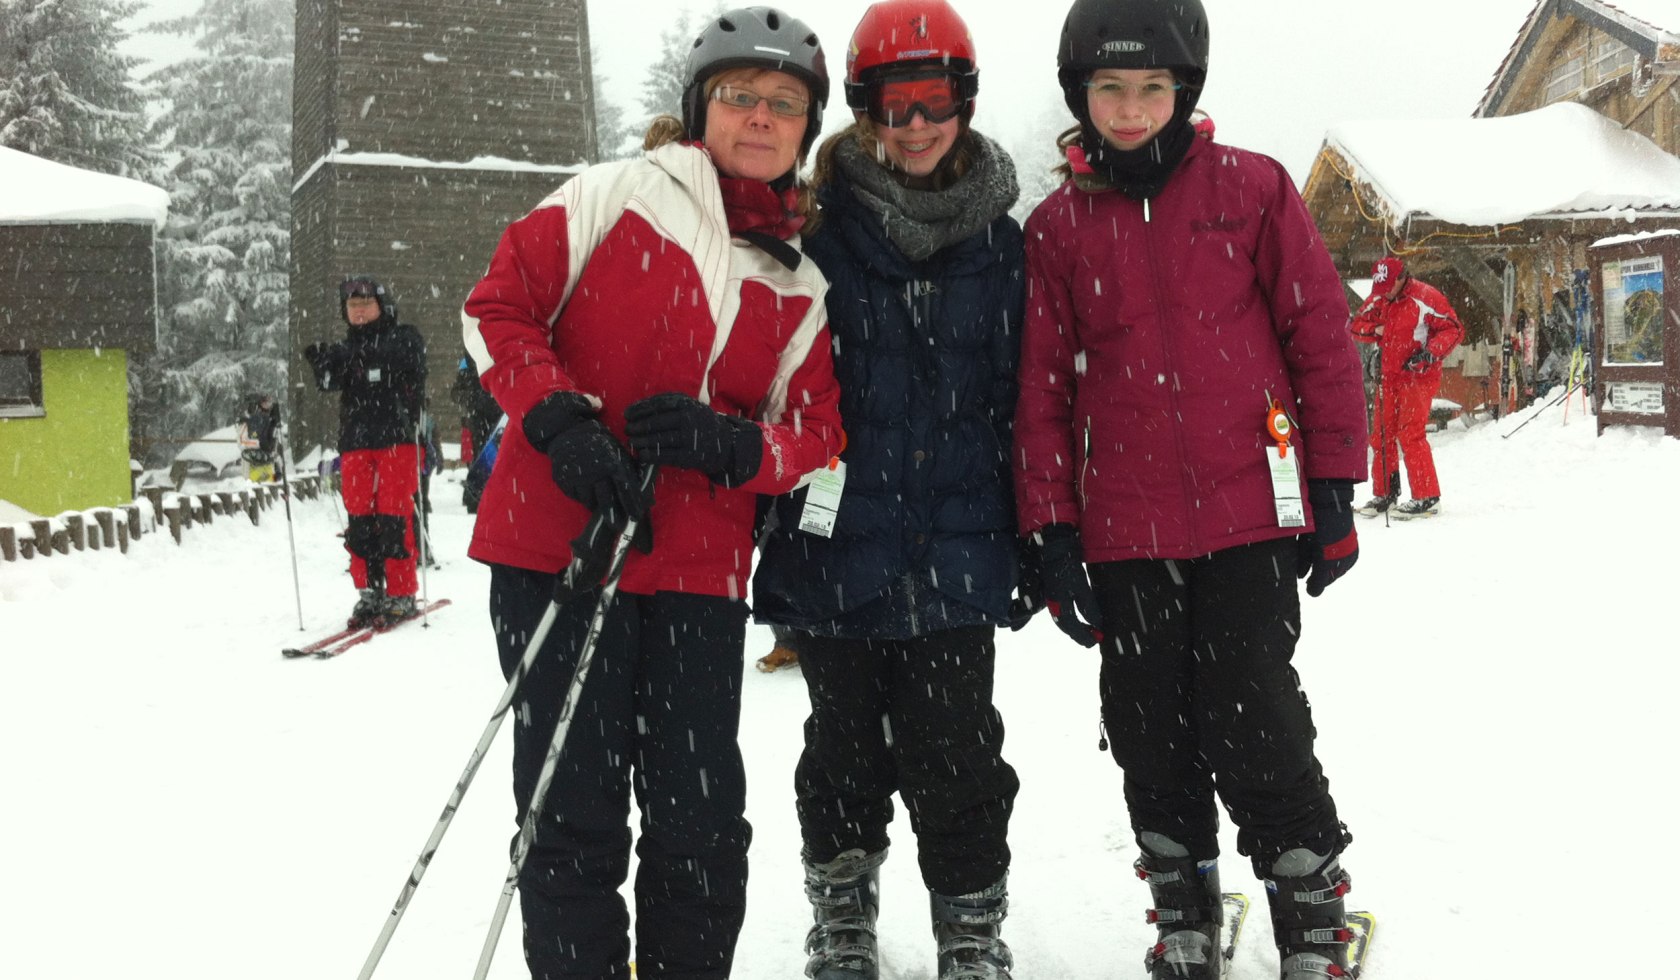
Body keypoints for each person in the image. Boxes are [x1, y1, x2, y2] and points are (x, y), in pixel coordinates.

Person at [459, 8, 843, 978]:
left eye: (785, 105)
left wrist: (733, 444)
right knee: (572, 816)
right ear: (699, 107)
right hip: (561, 547)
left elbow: (818, 435)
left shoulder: (801, 284)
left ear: (808, 129)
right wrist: (558, 422)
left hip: (697, 573)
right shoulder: (611, 192)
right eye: (739, 97)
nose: (760, 118)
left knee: (698, 825)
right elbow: (495, 306)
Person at [1014, 2, 1369, 978]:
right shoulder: (1056, 228)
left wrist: (1333, 479)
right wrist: (1048, 527)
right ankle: (1184, 909)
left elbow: (1320, 337)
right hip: (1124, 527)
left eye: (1152, 88)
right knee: (1146, 722)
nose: (1132, 109)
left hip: (1250, 506)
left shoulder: (1251, 190)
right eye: (1111, 89)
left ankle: (1311, 904)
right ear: (1081, 96)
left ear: (1185, 91)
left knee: (1252, 707)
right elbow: (1041, 387)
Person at [751, 3, 1033, 977]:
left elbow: (1024, 406)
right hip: (839, 548)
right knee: (841, 752)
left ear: (965, 101)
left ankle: (969, 925)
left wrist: (1035, 534)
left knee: (957, 753)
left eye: (937, 99)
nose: (916, 123)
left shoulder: (1004, 247)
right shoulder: (814, 235)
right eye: (894, 103)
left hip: (958, 553)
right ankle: (841, 915)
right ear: (864, 109)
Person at [303, 276, 427, 627]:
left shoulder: (404, 337)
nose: (358, 313)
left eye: (365, 306)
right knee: (359, 520)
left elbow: (403, 361)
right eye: (352, 307)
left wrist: (352, 359)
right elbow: (329, 384)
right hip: (356, 442)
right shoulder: (347, 350)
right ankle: (370, 590)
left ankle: (401, 590)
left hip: (396, 439)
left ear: (381, 307)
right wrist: (321, 363)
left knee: (393, 516)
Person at [1350, 255, 1464, 519]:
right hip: (1387, 377)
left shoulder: (1426, 297)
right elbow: (1356, 326)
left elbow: (1454, 329)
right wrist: (1377, 329)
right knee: (1381, 434)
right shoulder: (1380, 297)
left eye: (1389, 286)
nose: (1384, 293)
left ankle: (1427, 498)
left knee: (1410, 434)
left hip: (1417, 376)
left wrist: (1429, 353)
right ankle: (1385, 494)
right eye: (1380, 287)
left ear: (1402, 278)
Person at [451, 349, 502, 512]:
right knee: (479, 457)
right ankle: (476, 497)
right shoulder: (468, 358)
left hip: (499, 417)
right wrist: (472, 400)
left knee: (497, 457)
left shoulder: (499, 351)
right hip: (478, 418)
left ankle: (492, 498)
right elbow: (457, 392)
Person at [238, 393, 282, 482]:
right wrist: (258, 444)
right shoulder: (253, 419)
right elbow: (243, 441)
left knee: (269, 480)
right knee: (255, 480)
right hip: (253, 461)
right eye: (266, 403)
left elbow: (273, 444)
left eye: (270, 403)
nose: (268, 406)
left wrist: (277, 469)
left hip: (266, 459)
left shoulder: (269, 420)